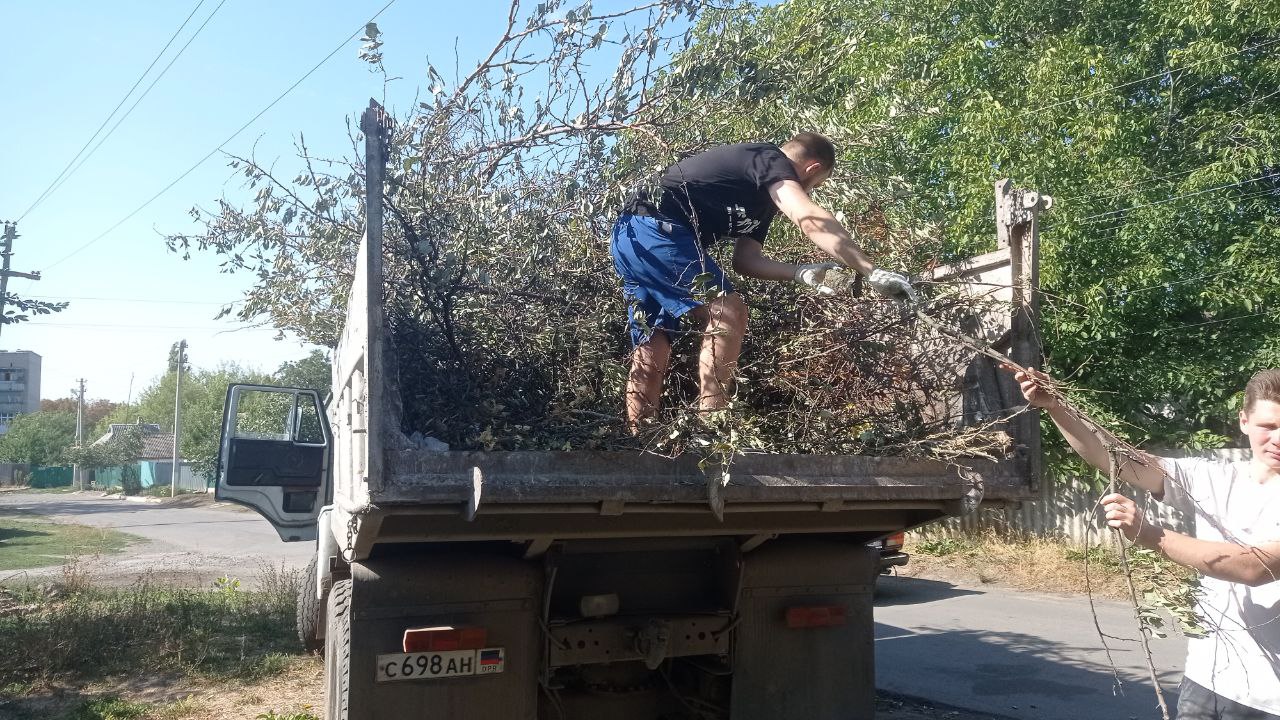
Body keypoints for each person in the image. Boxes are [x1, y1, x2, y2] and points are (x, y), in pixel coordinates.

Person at [1016, 366, 1280, 719]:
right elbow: (1115, 459)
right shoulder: (1213, 477)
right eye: (1269, 426)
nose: (1278, 439)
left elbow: (1254, 566)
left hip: (1269, 700)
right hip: (1206, 680)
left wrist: (1150, 535)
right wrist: (1055, 407)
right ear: (1244, 420)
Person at [610, 132, 916, 429]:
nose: (810, 190)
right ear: (812, 169)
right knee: (728, 311)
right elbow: (806, 215)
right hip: (653, 228)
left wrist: (799, 272)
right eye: (816, 185)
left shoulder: (761, 202)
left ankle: (641, 437)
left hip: (633, 238)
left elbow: (746, 260)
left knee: (652, 341)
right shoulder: (768, 158)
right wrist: (869, 270)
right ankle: (710, 428)